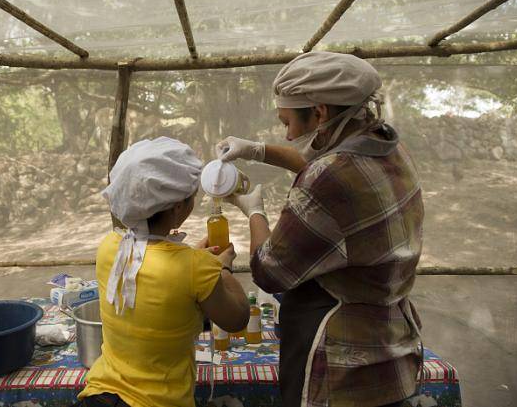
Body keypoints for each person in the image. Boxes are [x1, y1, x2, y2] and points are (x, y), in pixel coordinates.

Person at [217, 52, 424, 407]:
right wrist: (257, 151)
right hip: (390, 344)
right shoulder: (388, 147)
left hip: (343, 363)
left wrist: (254, 212)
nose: (287, 133)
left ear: (319, 112)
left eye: (287, 122)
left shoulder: (329, 176)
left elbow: (270, 271)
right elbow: (325, 163)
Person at [77, 136, 250, 407]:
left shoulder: (109, 247)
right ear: (178, 207)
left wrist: (195, 260)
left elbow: (156, 263)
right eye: (191, 195)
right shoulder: (195, 267)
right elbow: (237, 319)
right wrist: (223, 267)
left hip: (101, 395)